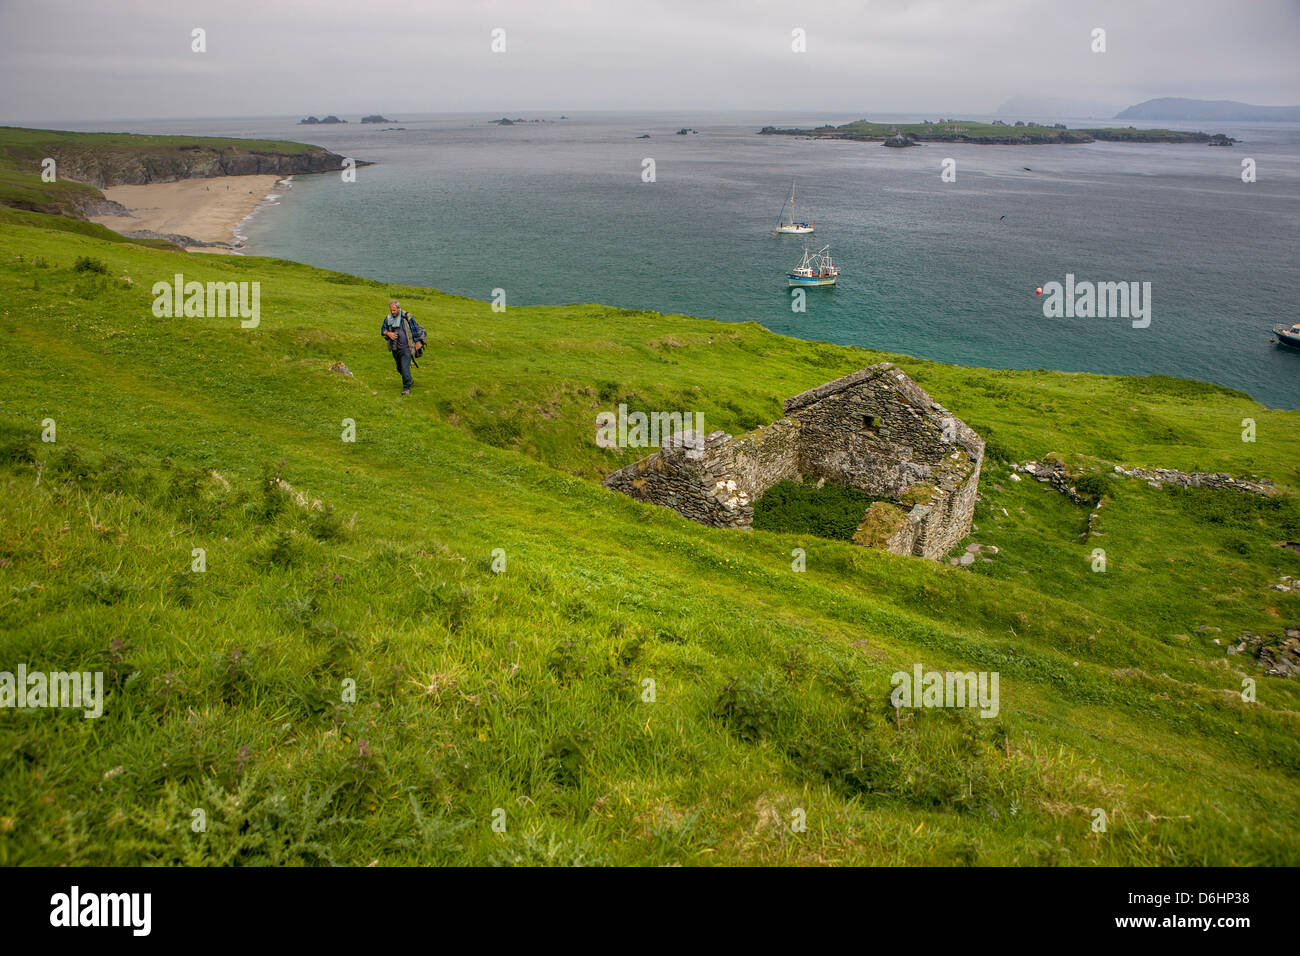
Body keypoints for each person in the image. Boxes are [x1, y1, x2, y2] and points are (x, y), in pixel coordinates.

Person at [380, 300, 425, 395]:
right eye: (391, 310)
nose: (392, 312)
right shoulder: (388, 318)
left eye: (394, 310)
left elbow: (415, 329)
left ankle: (406, 388)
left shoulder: (407, 317)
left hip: (407, 348)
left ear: (399, 309)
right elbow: (382, 330)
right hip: (395, 348)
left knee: (405, 368)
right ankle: (409, 379)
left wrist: (417, 342)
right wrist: (389, 333)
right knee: (399, 368)